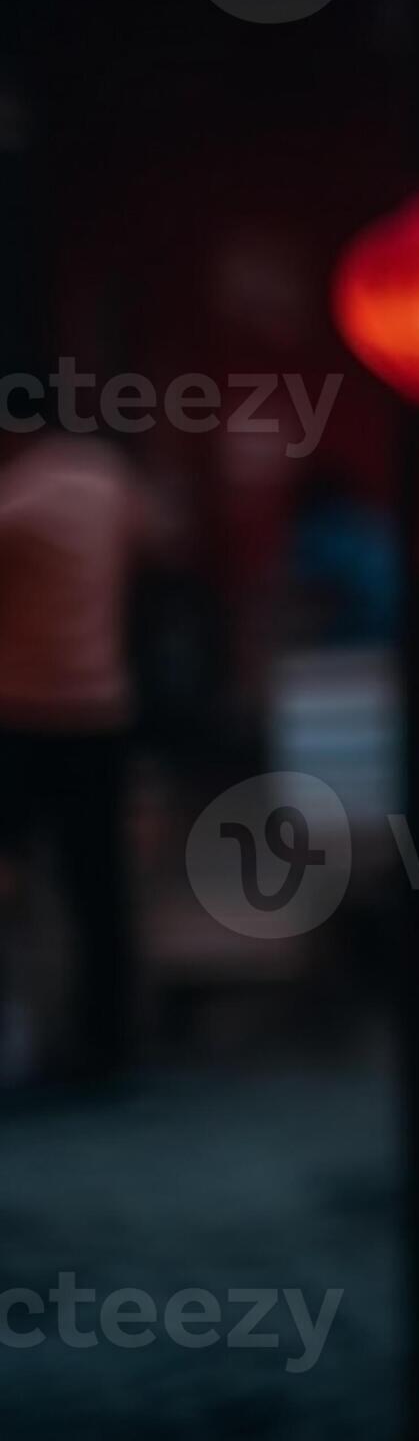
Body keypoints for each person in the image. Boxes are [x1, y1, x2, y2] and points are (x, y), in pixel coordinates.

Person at [0, 424, 143, 1084]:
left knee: (13, 872)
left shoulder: (20, 496)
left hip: (22, 713)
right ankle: (108, 1043)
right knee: (99, 883)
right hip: (101, 710)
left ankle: (27, 1031)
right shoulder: (107, 479)